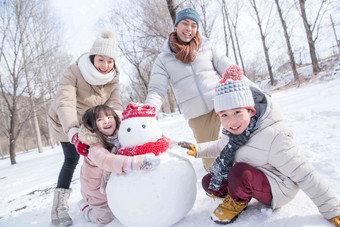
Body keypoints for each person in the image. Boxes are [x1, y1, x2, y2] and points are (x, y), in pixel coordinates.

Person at [178, 65, 340, 225]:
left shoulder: (273, 136)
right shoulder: (233, 133)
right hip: (252, 179)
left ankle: (238, 201)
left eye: (237, 112)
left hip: (278, 188)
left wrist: (332, 209)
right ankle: (240, 193)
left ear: (251, 111)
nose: (232, 121)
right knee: (210, 181)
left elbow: (306, 174)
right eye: (225, 115)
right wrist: (197, 150)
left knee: (239, 172)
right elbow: (220, 146)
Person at [145, 7, 245, 172]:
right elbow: (157, 89)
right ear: (176, 26)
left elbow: (231, 70)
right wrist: (148, 113)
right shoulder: (164, 59)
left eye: (193, 25)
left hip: (223, 104)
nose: (189, 28)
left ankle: (248, 183)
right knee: (211, 161)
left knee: (240, 145)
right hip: (198, 115)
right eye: (185, 23)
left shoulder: (207, 46)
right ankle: (223, 191)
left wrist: (255, 91)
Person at [47, 30, 122, 226]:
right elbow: (65, 103)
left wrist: (117, 125)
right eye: (101, 60)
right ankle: (59, 207)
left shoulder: (113, 78)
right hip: (66, 122)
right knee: (72, 158)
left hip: (92, 123)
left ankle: (101, 192)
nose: (105, 66)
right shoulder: (74, 71)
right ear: (92, 57)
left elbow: (115, 105)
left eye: (110, 61)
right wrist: (73, 132)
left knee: (103, 155)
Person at [77, 105, 160, 225]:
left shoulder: (120, 134)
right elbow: (107, 160)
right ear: (92, 126)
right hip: (97, 192)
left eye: (109, 117)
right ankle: (86, 210)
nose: (106, 121)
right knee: (105, 218)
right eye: (99, 119)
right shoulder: (93, 147)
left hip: (112, 182)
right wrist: (136, 163)